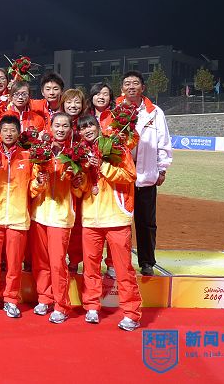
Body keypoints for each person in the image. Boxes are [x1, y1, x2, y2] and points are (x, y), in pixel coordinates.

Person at [77, 114, 142, 331]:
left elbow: (129, 175)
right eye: (83, 128)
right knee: (90, 267)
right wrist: (80, 179)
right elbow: (83, 187)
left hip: (115, 217)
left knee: (123, 269)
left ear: (98, 127)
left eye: (90, 126)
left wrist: (104, 166)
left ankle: (131, 313)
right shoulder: (80, 153)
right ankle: (92, 306)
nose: (87, 130)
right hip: (91, 219)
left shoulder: (116, 147)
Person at [0, 116, 36, 319]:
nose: (9, 134)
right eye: (5, 130)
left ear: (18, 133)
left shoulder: (27, 157)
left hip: (18, 218)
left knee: (14, 263)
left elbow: (33, 188)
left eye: (12, 130)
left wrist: (41, 181)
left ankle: (11, 299)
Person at [31, 112, 84, 324]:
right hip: (39, 214)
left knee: (57, 263)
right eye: (57, 126)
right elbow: (31, 187)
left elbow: (80, 191)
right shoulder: (41, 152)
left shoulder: (75, 154)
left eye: (65, 126)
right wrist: (38, 181)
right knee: (41, 262)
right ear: (50, 128)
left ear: (70, 129)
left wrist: (76, 181)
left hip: (61, 217)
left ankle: (61, 305)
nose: (60, 129)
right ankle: (44, 298)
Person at [120, 71, 172, 276]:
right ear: (122, 88)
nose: (131, 87)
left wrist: (162, 168)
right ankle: (118, 263)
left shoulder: (155, 112)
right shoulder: (115, 110)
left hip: (145, 173)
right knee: (119, 223)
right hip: (120, 175)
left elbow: (163, 142)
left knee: (146, 222)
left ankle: (147, 262)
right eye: (127, 83)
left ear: (143, 87)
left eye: (135, 83)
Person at [88, 82, 117, 278]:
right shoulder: (85, 117)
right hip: (88, 175)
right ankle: (90, 264)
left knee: (112, 222)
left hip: (110, 176)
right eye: (97, 93)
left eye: (105, 94)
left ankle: (112, 263)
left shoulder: (116, 119)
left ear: (110, 97)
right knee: (90, 225)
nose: (101, 97)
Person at [59, 88, 88, 274]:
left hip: (80, 180)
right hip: (59, 182)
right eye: (69, 102)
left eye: (77, 102)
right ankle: (58, 259)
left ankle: (75, 260)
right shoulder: (58, 123)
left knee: (78, 223)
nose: (73, 105)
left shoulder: (85, 125)